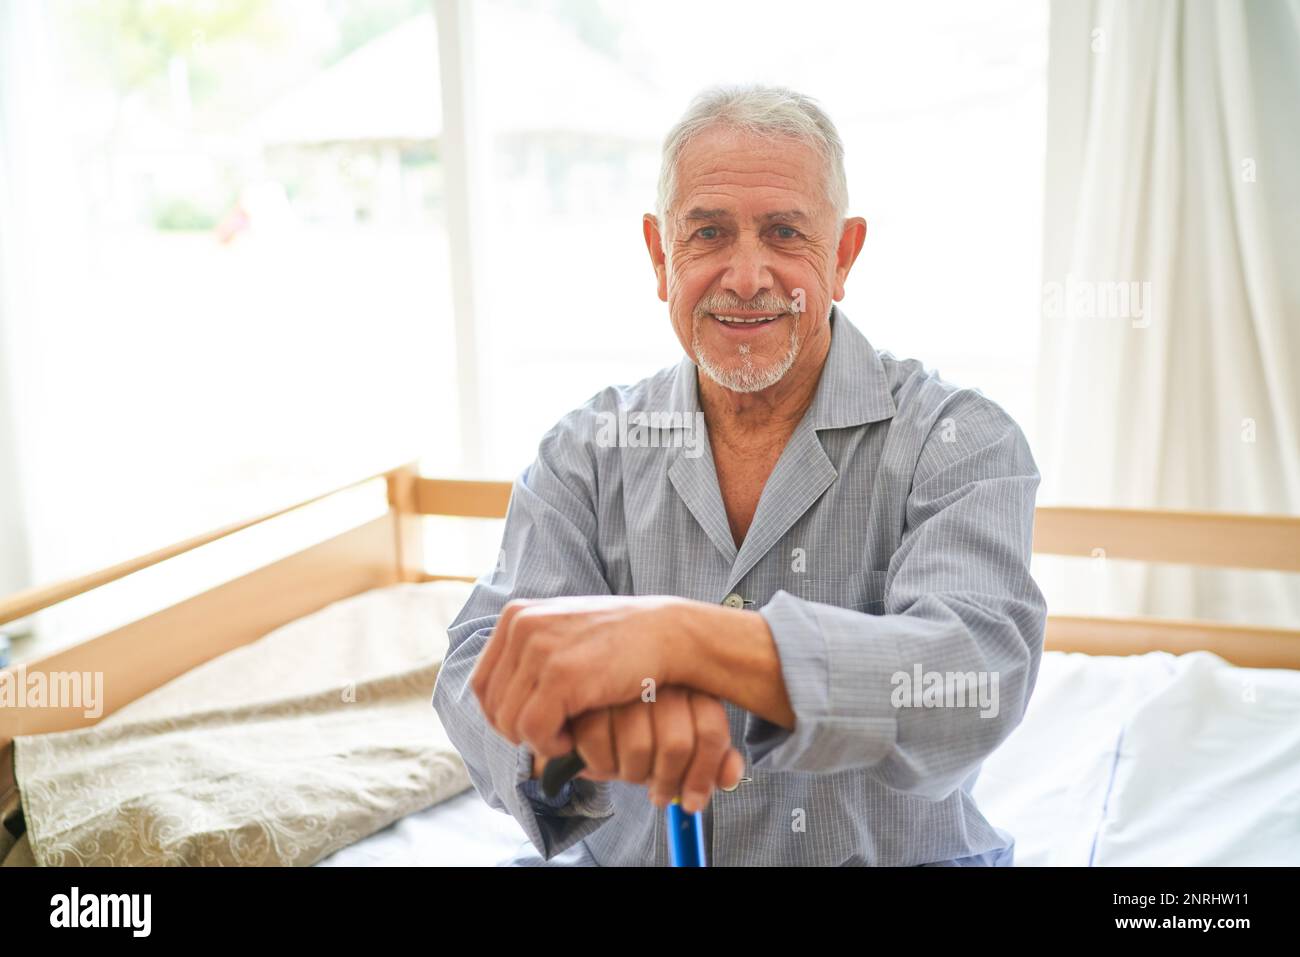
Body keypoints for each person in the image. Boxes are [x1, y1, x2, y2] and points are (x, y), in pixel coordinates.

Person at [432, 84, 1045, 866]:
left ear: (843, 254)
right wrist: (585, 737)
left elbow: (970, 679)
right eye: (709, 233)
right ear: (661, 256)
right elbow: (475, 665)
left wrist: (688, 640)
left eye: (786, 233)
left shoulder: (960, 440)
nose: (747, 274)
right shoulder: (585, 451)